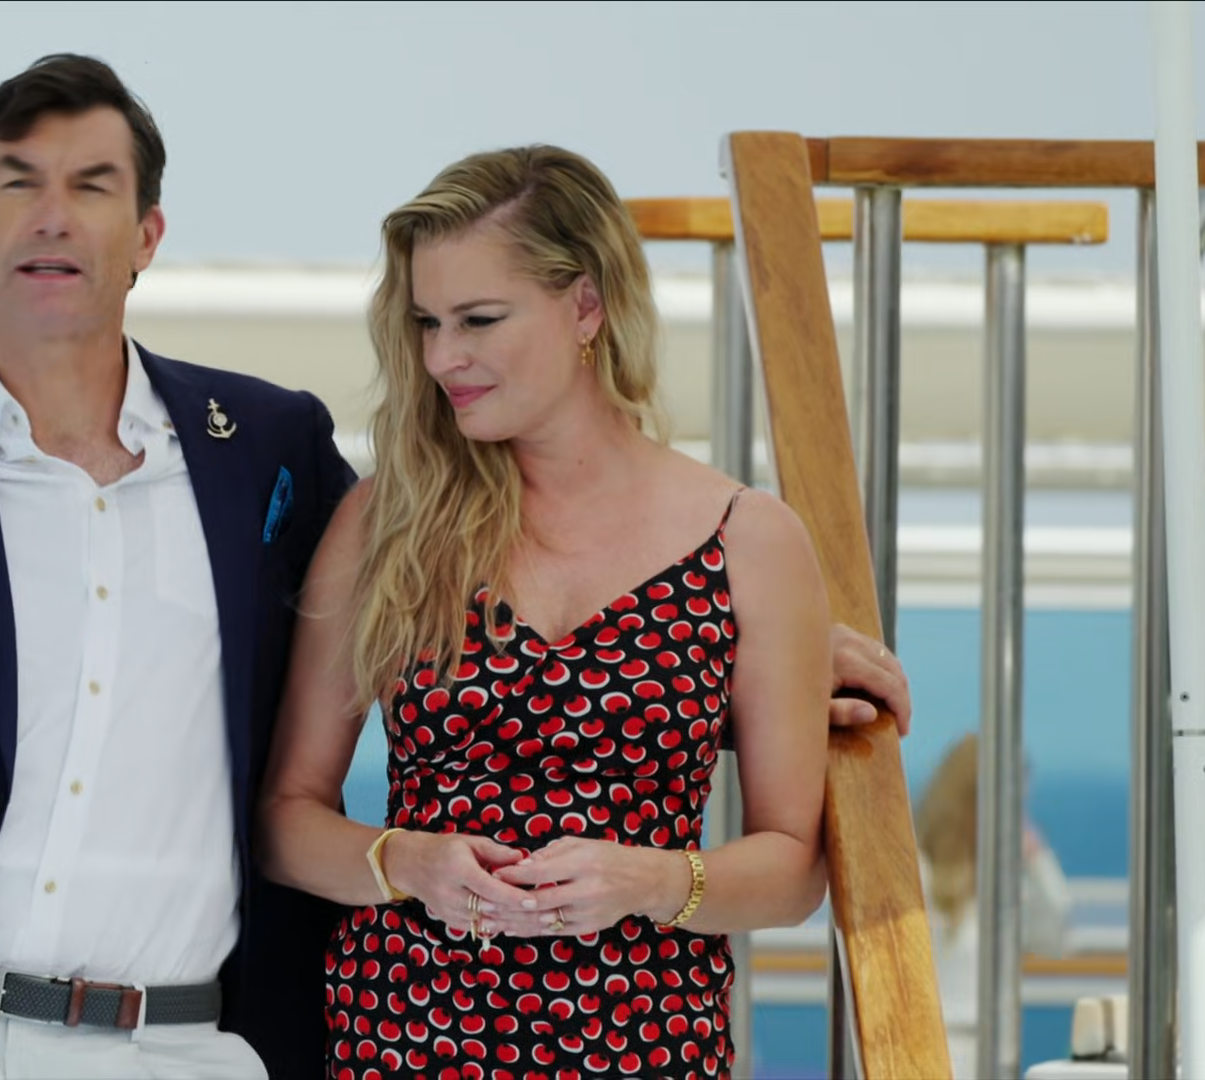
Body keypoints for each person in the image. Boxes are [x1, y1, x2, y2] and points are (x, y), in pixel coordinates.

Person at [0, 55, 916, 1080]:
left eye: (92, 185)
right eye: (19, 182)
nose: (443, 357)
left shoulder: (265, 452)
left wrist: (781, 648)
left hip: (227, 1040)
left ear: (148, 235)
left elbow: (594, 651)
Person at [259, 145, 838, 1079]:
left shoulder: (749, 539)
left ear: (586, 305)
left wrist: (653, 879)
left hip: (648, 1046)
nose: (442, 358)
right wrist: (404, 861)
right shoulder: (387, 521)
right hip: (405, 1040)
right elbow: (285, 822)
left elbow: (793, 867)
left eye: (479, 320)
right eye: (427, 323)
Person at [916, 733, 1072, 1079]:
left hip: (995, 1050)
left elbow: (1055, 938)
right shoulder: (920, 872)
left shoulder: (1004, 883)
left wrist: (1037, 858)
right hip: (934, 1047)